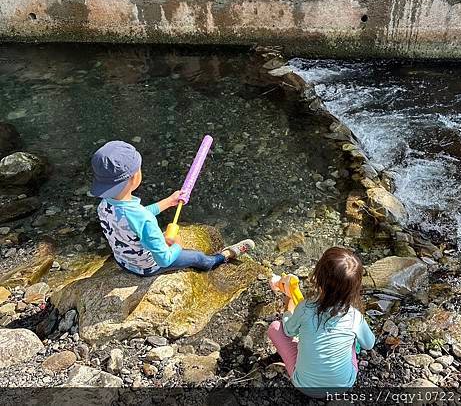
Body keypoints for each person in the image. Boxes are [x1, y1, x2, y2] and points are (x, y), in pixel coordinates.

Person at [91, 140, 254, 276]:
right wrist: (177, 244)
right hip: (146, 267)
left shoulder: (104, 205)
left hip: (123, 262)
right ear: (135, 177)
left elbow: (134, 219)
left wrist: (169, 201)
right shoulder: (144, 220)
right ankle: (223, 256)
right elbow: (164, 259)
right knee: (198, 257)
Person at [267, 247, 375, 396]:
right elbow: (369, 344)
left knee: (274, 327)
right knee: (351, 340)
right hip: (344, 384)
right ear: (354, 288)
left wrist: (288, 307)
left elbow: (288, 331)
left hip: (304, 385)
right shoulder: (354, 317)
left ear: (318, 277)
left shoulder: (305, 308)